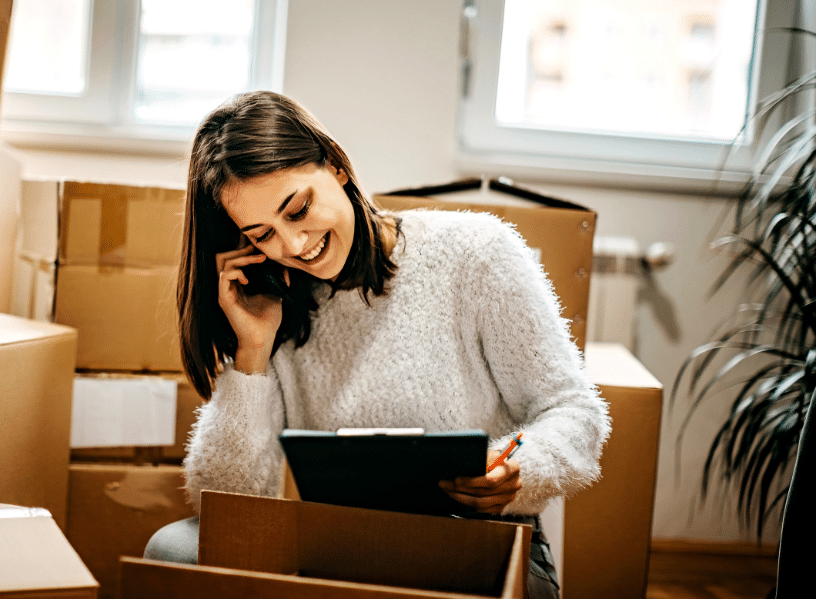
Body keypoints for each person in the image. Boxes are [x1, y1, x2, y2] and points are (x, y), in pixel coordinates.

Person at [145, 90, 610, 599]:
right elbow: (225, 502)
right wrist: (252, 353)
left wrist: (515, 470)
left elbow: (574, 411)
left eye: (298, 210)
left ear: (336, 166)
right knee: (172, 549)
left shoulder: (477, 252)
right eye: (262, 235)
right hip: (342, 545)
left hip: (479, 537)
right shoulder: (276, 301)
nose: (295, 245)